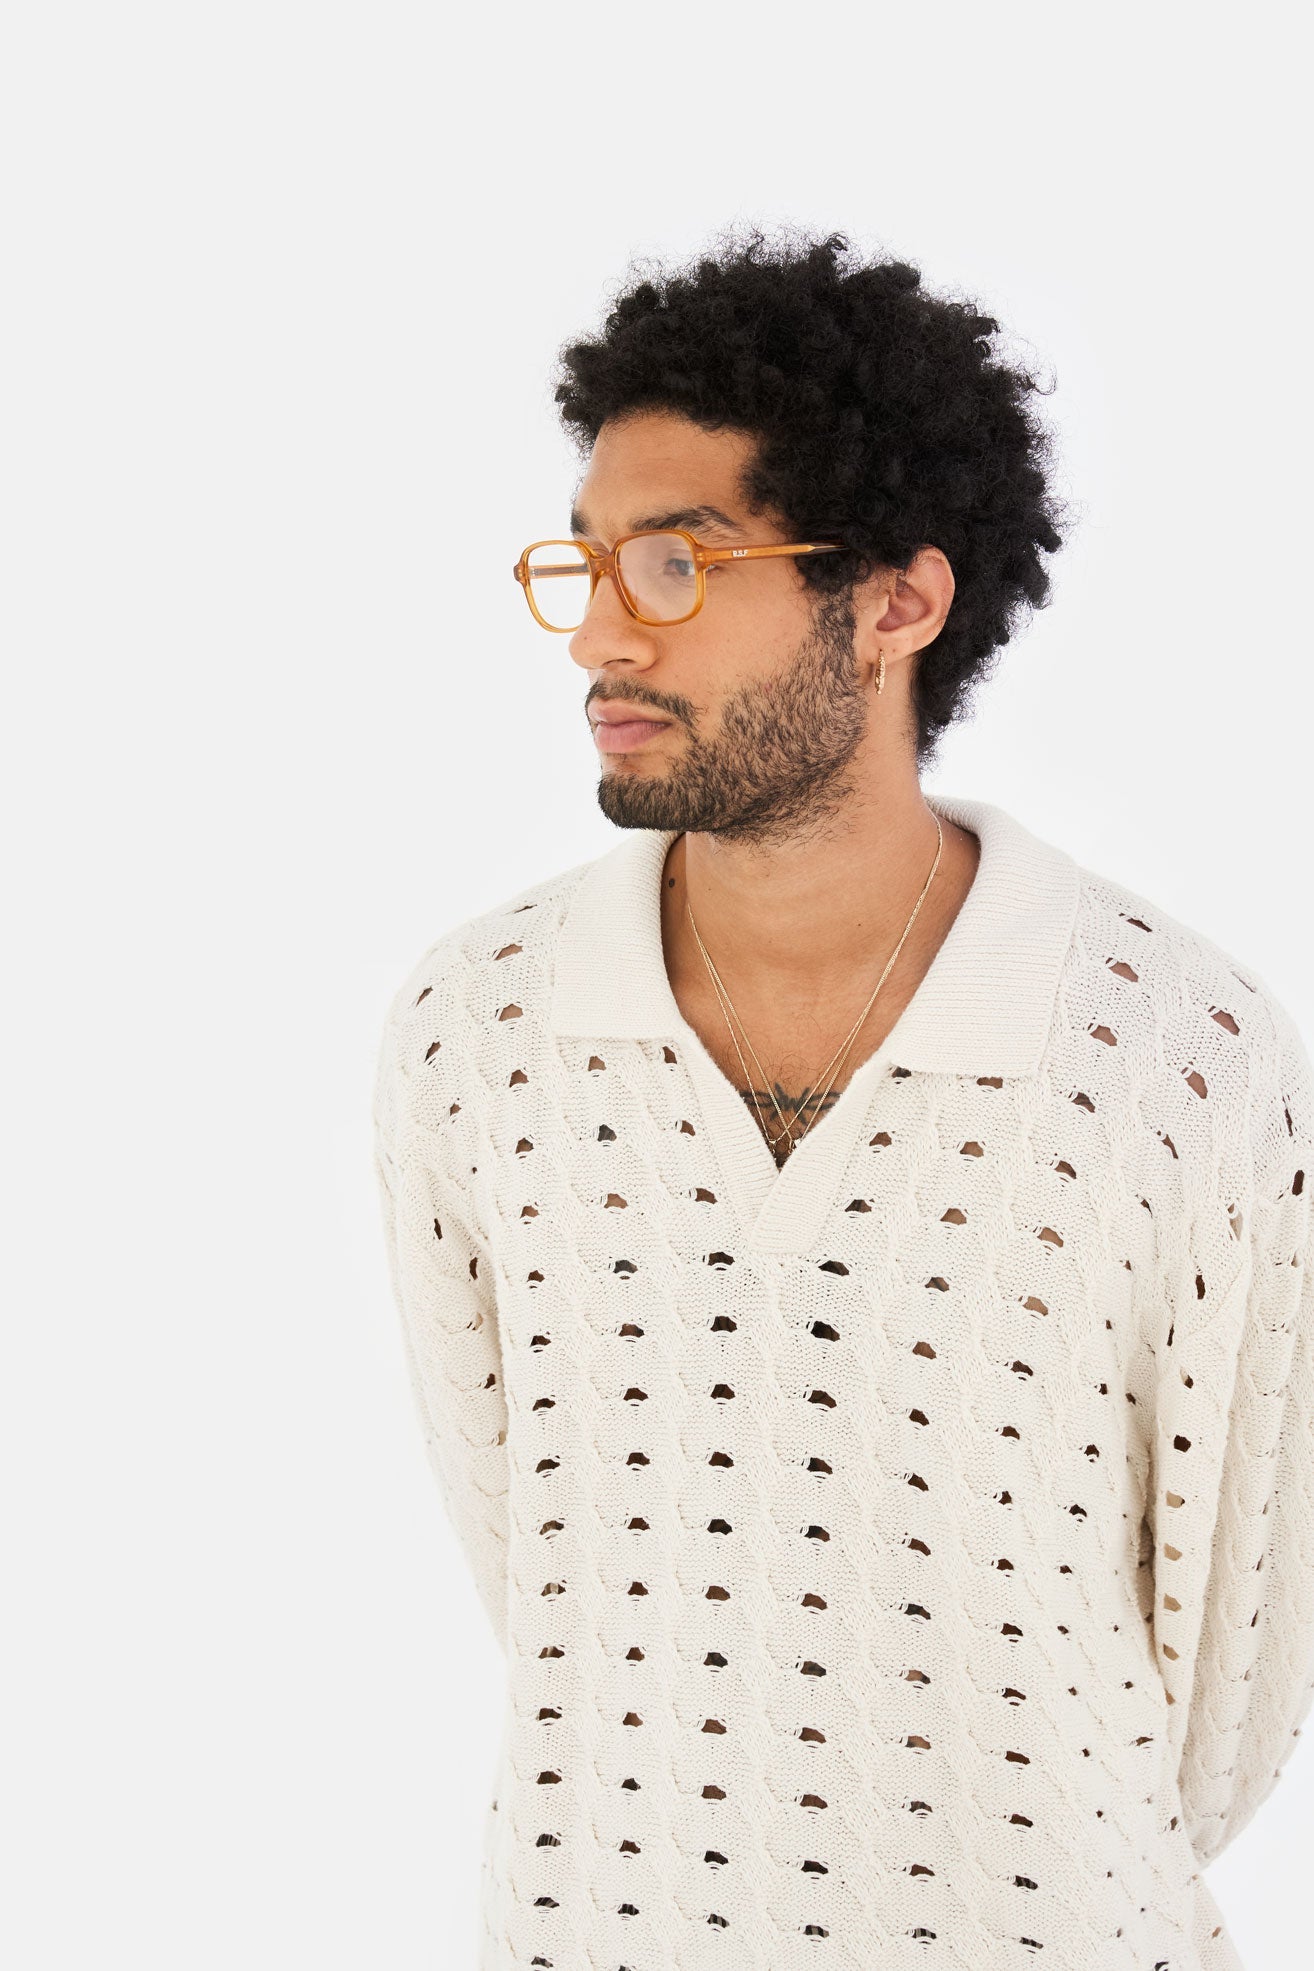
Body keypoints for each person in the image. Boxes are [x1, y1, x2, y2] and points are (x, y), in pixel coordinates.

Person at [371, 228, 1313, 1970]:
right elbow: (531, 1557)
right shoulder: (481, 1029)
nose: (596, 634)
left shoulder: (1173, 1055)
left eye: (676, 564)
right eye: (586, 564)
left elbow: (1238, 1646)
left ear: (893, 603)